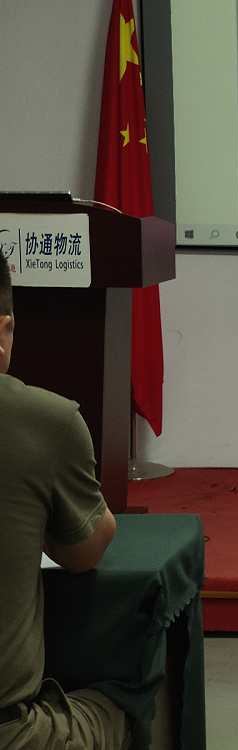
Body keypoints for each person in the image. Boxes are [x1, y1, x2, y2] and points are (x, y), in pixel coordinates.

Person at [0, 261, 131, 750]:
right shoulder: (47, 421)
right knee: (126, 700)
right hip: (11, 733)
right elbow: (84, 552)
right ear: (3, 330)